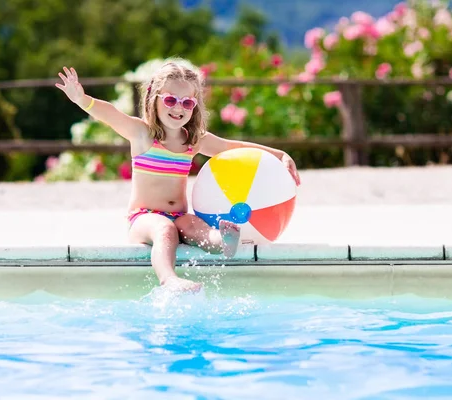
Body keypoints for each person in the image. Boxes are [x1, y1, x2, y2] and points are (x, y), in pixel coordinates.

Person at [55, 58, 301, 293]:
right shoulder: (143, 135)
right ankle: (168, 279)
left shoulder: (193, 141)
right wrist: (82, 99)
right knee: (165, 229)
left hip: (179, 215)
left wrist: (279, 154)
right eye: (170, 99)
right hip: (144, 218)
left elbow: (232, 147)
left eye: (187, 103)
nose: (178, 108)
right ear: (154, 99)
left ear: (195, 106)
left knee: (198, 228)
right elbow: (111, 115)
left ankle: (223, 241)